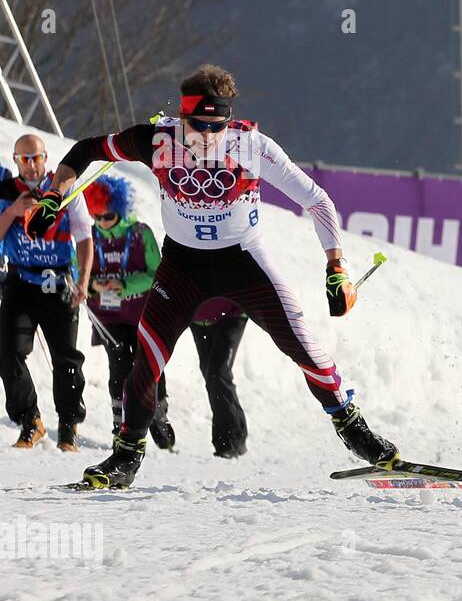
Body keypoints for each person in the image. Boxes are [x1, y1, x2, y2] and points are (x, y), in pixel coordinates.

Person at [25, 64, 397, 487]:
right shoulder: (156, 141)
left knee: (304, 347)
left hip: (245, 262)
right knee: (145, 362)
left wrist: (337, 266)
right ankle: (125, 458)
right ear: (182, 118)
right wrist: (55, 193)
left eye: (216, 126)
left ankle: (355, 432)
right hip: (183, 266)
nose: (207, 136)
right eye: (198, 126)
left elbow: (317, 201)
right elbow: (86, 150)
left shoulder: (252, 145)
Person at [0, 134, 93, 451]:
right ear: (15, 161)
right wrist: (13, 211)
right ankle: (30, 421)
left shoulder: (63, 190)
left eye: (36, 157)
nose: (31, 165)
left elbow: (84, 237)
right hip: (21, 282)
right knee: (8, 350)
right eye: (24, 159)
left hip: (59, 283)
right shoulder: (6, 191)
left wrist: (83, 281)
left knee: (66, 357)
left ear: (45, 159)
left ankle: (68, 427)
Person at [83, 174, 177, 449]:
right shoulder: (91, 237)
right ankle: (120, 423)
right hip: (109, 316)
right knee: (120, 365)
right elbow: (80, 272)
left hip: (143, 311)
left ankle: (158, 414)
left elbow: (156, 273)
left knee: (149, 365)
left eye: (107, 216)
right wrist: (91, 285)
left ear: (120, 210)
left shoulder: (140, 233)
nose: (101, 223)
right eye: (96, 217)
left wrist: (123, 284)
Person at [189, 298, 249, 458]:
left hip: (232, 313)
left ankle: (230, 439)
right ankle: (232, 435)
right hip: (199, 318)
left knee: (218, 372)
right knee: (211, 374)